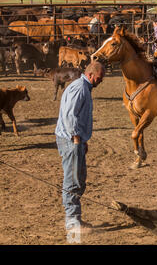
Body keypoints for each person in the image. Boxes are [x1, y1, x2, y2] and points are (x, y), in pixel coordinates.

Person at [55, 61, 105, 234]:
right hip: (71, 140)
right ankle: (72, 223)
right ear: (91, 74)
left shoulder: (82, 87)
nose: (101, 81)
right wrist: (77, 138)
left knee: (79, 179)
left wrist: (83, 140)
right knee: (73, 180)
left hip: (75, 140)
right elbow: (71, 115)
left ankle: (75, 218)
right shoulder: (80, 88)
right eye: (100, 77)